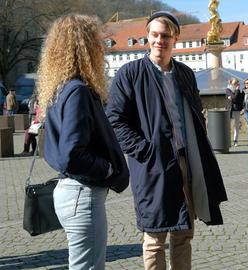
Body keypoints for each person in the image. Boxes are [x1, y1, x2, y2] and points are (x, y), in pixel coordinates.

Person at [106, 11, 228, 270]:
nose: (160, 40)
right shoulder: (130, 74)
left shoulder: (184, 73)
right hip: (153, 164)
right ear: (147, 38)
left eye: (166, 35)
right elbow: (115, 120)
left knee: (184, 233)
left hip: (187, 159)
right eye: (155, 35)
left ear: (175, 38)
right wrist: (144, 150)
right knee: (154, 236)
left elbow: (196, 113)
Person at [36, 14, 129, 269]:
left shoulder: (61, 88)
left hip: (72, 193)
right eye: (96, 42)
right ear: (84, 47)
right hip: (82, 195)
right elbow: (71, 155)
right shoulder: (77, 90)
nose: (102, 48)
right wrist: (107, 169)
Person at [225, 78, 244, 146]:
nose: (237, 85)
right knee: (228, 125)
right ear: (231, 84)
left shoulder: (239, 90)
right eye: (235, 84)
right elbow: (235, 98)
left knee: (236, 125)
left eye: (237, 84)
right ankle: (227, 140)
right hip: (230, 109)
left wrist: (233, 97)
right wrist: (235, 93)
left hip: (237, 109)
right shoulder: (228, 89)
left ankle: (235, 140)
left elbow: (239, 99)